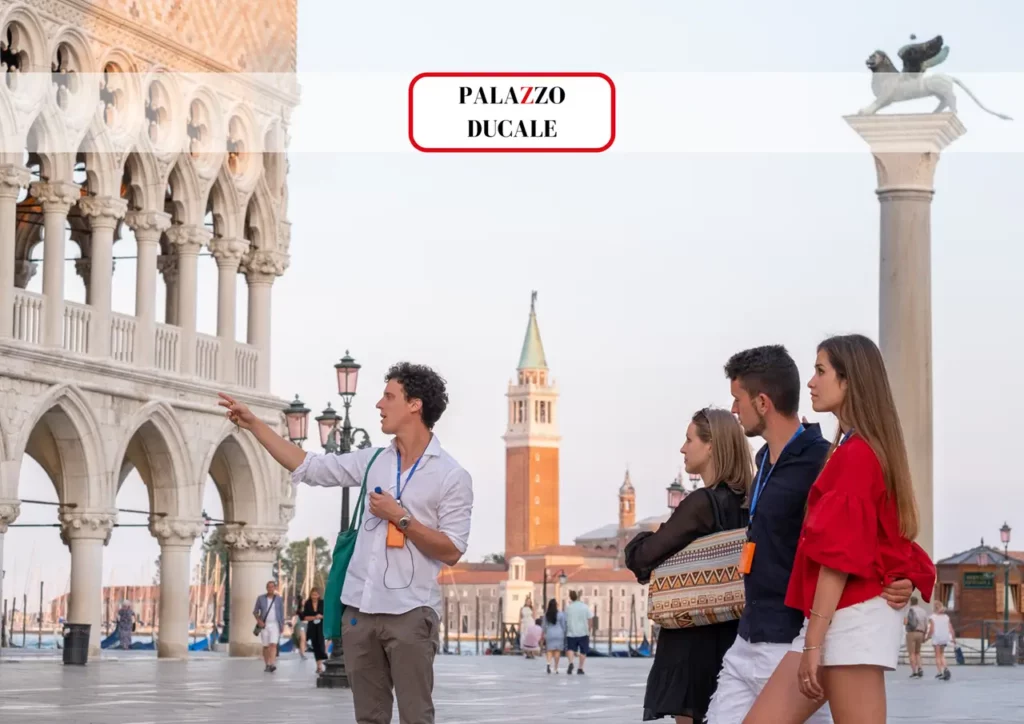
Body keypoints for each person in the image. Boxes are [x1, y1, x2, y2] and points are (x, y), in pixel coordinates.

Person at [219, 362, 473, 724]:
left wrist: (400, 517)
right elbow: (310, 467)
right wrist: (254, 425)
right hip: (359, 611)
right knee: (368, 718)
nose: (379, 405)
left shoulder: (451, 475)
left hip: (411, 614)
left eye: (389, 396)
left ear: (415, 405)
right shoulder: (372, 461)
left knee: (416, 717)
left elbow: (452, 549)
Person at [706, 345, 913, 724]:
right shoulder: (845, 451)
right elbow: (883, 529)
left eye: (821, 371)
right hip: (828, 623)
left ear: (849, 381)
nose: (811, 381)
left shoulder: (849, 456)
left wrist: (813, 643)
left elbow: (837, 555)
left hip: (845, 622)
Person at [625, 407, 753, 724]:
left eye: (689, 439)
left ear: (711, 446)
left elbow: (643, 556)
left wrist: (643, 538)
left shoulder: (701, 504)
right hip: (737, 636)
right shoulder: (751, 500)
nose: (683, 448)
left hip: (693, 637)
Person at [253, 580, 284, 673]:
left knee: (273, 644)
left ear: (275, 588)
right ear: (267, 588)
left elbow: (281, 613)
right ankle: (267, 664)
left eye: (272, 587)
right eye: (269, 587)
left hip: (275, 624)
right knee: (266, 646)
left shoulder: (278, 599)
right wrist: (259, 621)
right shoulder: (261, 598)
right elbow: (255, 611)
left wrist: (282, 625)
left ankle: (272, 663)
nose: (270, 588)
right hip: (264, 625)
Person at [564, 590, 593, 675]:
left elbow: (566, 619)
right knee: (583, 651)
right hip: (583, 632)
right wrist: (589, 630)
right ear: (579, 597)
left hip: (571, 632)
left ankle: (570, 663)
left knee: (570, 648)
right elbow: (590, 619)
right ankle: (580, 668)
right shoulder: (585, 607)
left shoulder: (569, 608)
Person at [927, 601, 955, 681]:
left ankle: (940, 672)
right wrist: (953, 638)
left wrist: (927, 637)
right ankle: (945, 668)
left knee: (937, 656)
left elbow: (932, 629)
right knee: (942, 654)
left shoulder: (932, 617)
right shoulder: (946, 617)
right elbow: (951, 628)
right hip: (944, 637)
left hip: (937, 637)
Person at [303, 587, 328, 674]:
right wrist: (314, 617)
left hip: (321, 625)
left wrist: (321, 616)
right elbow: (305, 617)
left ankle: (321, 663)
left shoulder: (322, 603)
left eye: (316, 595)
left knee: (321, 644)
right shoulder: (307, 603)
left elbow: (327, 614)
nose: (314, 596)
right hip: (312, 626)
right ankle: (319, 666)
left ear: (319, 595)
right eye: (313, 595)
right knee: (315, 645)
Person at [904, 596, 928, 678]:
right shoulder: (923, 611)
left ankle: (914, 671)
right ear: (918, 602)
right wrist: (924, 635)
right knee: (918, 653)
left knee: (911, 653)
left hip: (911, 633)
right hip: (920, 633)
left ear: (910, 602)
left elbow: (905, 622)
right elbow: (926, 624)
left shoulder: (908, 611)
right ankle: (920, 668)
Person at [542, 598, 567, 674]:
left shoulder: (546, 615)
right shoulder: (561, 614)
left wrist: (545, 633)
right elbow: (563, 626)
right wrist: (564, 633)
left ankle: (548, 664)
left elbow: (543, 626)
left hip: (550, 633)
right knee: (557, 652)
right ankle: (556, 668)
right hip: (559, 634)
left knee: (549, 650)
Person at [293, 593, 307, 660]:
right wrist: (292, 624)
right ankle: (302, 654)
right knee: (303, 638)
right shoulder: (298, 609)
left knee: (303, 640)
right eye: (303, 601)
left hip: (306, 625)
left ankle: (302, 652)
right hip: (300, 624)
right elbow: (295, 617)